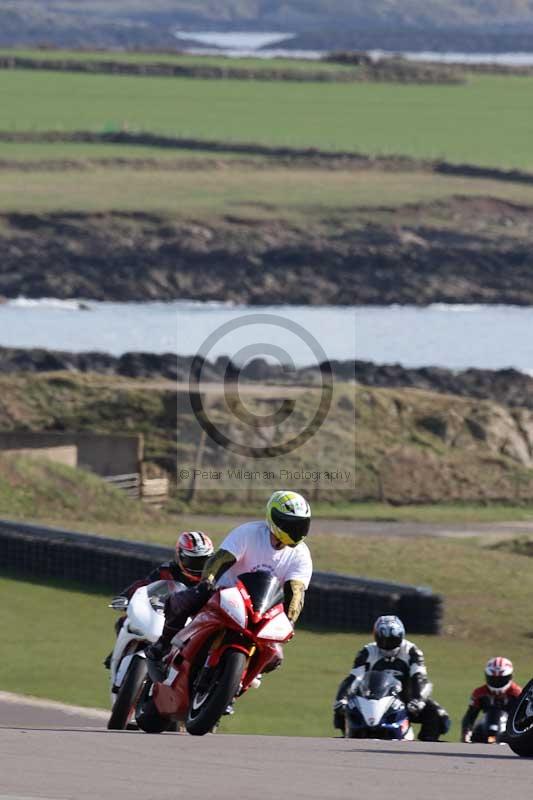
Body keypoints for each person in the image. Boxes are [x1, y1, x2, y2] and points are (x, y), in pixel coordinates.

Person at [145, 490, 313, 688]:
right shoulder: (249, 533)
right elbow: (220, 559)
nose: (298, 529)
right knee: (182, 601)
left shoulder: (301, 555)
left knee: (275, 657)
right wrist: (207, 581)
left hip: (262, 609)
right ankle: (161, 647)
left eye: (302, 524)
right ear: (275, 519)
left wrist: (290, 620)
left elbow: (296, 591)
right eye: (292, 524)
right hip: (227, 593)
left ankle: (236, 685)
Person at [104, 531, 214, 668]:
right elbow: (145, 585)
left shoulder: (213, 578)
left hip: (192, 623)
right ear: (179, 556)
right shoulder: (167, 570)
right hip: (162, 611)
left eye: (204, 561)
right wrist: (126, 596)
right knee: (123, 621)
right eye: (193, 561)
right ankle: (118, 651)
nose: (199, 567)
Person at [333, 615, 450, 741]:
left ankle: (427, 742)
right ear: (376, 637)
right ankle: (348, 736)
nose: (387, 644)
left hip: (405, 699)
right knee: (344, 708)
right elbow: (354, 677)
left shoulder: (412, 651)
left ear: (401, 636)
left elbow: (419, 677)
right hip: (374, 698)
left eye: (393, 639)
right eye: (383, 640)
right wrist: (341, 698)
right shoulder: (367, 651)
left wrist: (418, 700)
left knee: (438, 715)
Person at [461, 656, 522, 743]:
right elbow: (470, 715)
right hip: (485, 727)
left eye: (501, 679)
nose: (497, 682)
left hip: (510, 729)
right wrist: (466, 732)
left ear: (510, 677)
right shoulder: (479, 693)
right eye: (493, 679)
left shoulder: (518, 693)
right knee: (474, 733)